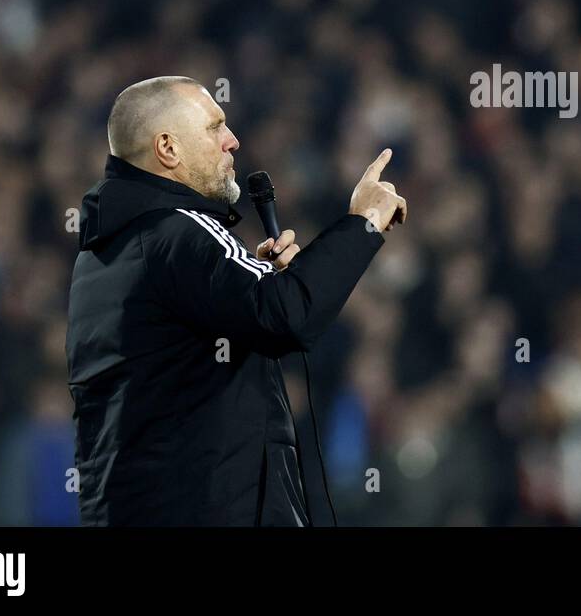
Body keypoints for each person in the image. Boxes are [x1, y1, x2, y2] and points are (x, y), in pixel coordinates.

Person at [65, 76, 406, 525]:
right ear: (168, 148)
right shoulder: (178, 229)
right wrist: (363, 222)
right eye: (214, 127)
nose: (232, 140)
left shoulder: (100, 256)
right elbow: (287, 314)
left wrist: (254, 283)